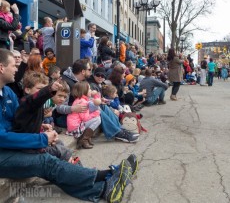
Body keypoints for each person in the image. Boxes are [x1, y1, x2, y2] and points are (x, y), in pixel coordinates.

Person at [0, 48, 139, 203]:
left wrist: (40, 129)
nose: (17, 68)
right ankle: (106, 175)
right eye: (13, 65)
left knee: (53, 165)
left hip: (10, 147)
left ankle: (104, 189)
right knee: (45, 161)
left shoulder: (6, 92)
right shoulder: (17, 94)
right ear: (1, 67)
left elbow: (17, 121)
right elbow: (2, 136)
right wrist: (41, 138)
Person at [59, 60, 139, 143]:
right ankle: (118, 133)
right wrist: (72, 108)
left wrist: (97, 100)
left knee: (102, 106)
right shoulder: (66, 82)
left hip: (80, 113)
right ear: (83, 71)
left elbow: (83, 99)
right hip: (68, 118)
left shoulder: (80, 81)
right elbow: (58, 107)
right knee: (98, 110)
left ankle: (119, 129)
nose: (91, 72)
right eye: (89, 69)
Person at [67, 81, 101, 149]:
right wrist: (95, 114)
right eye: (89, 89)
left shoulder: (80, 99)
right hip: (75, 127)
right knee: (97, 119)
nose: (91, 90)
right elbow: (85, 118)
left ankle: (87, 138)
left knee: (97, 118)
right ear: (84, 91)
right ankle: (84, 139)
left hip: (74, 124)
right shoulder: (83, 102)